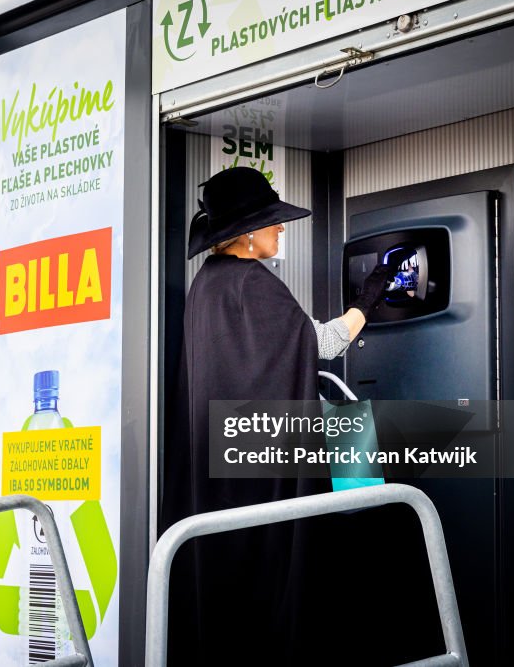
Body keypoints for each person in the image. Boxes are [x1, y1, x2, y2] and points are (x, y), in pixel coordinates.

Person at [161, 166, 394, 665]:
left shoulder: (205, 286)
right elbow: (324, 345)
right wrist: (372, 292)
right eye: (273, 221)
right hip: (261, 483)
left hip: (219, 485)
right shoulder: (254, 283)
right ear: (247, 233)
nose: (281, 229)